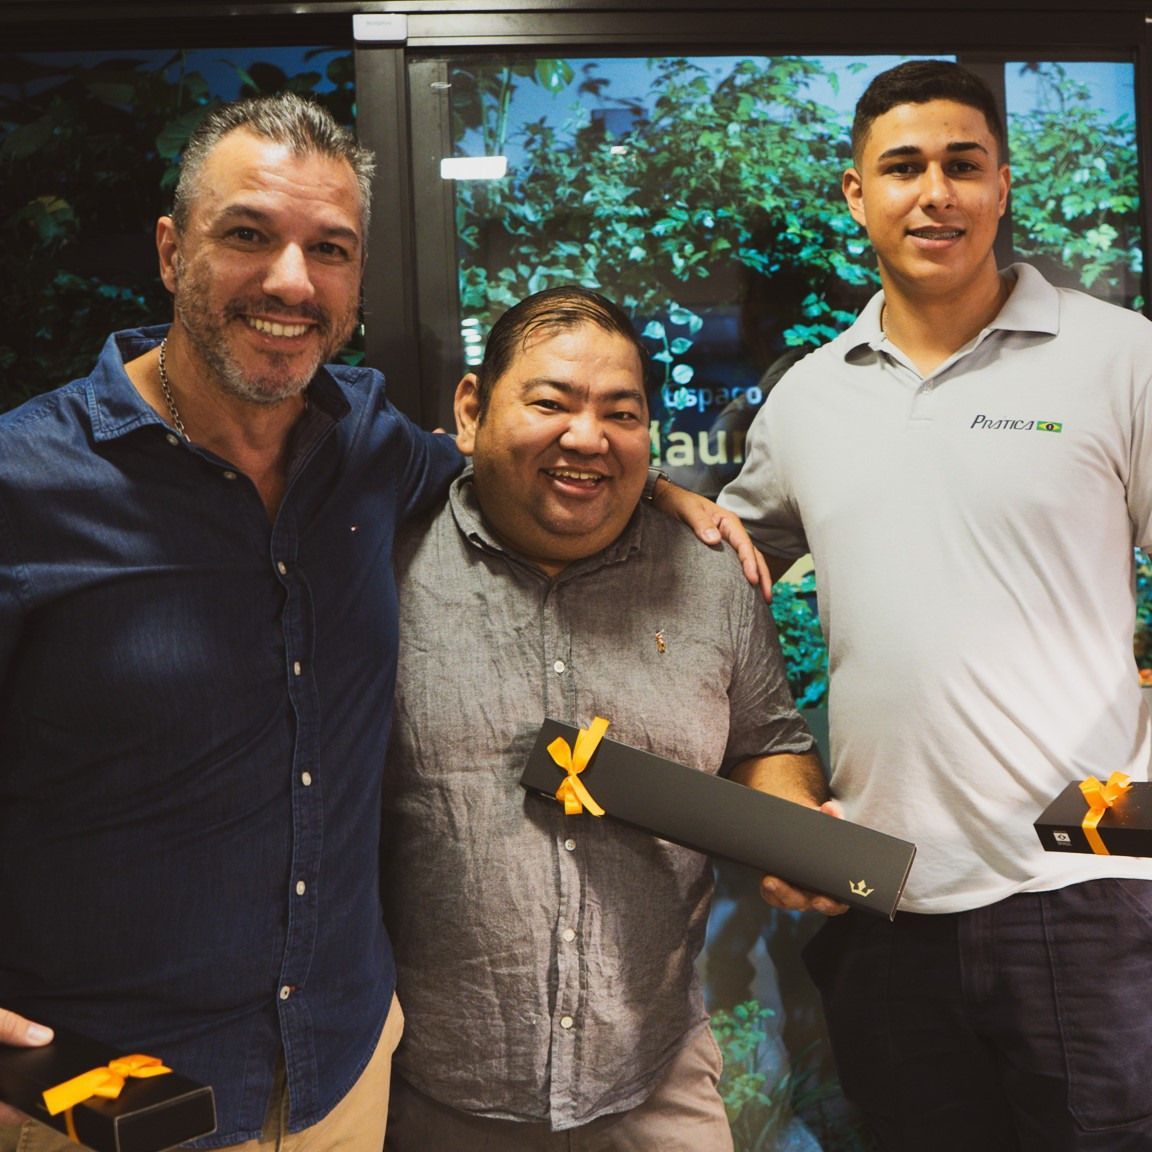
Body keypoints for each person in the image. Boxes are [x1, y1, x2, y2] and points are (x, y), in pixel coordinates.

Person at [0, 93, 766, 1152]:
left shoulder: (368, 447)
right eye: (248, 235)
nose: (289, 280)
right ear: (172, 251)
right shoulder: (24, 483)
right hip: (101, 1097)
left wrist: (657, 493)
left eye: (330, 249)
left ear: (357, 280)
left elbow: (532, 459)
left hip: (341, 1083)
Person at [719, 58, 1152, 1151]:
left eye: (964, 165)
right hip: (883, 899)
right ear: (856, 196)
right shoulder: (810, 397)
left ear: (1004, 185)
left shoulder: (1120, 359)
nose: (936, 193)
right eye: (902, 168)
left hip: (1088, 891)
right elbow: (720, 574)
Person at [379, 285, 829, 1152]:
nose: (587, 436)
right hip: (432, 1090)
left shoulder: (710, 578)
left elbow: (769, 738)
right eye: (550, 402)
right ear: (470, 409)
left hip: (658, 1083)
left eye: (621, 413)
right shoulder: (382, 563)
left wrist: (795, 829)